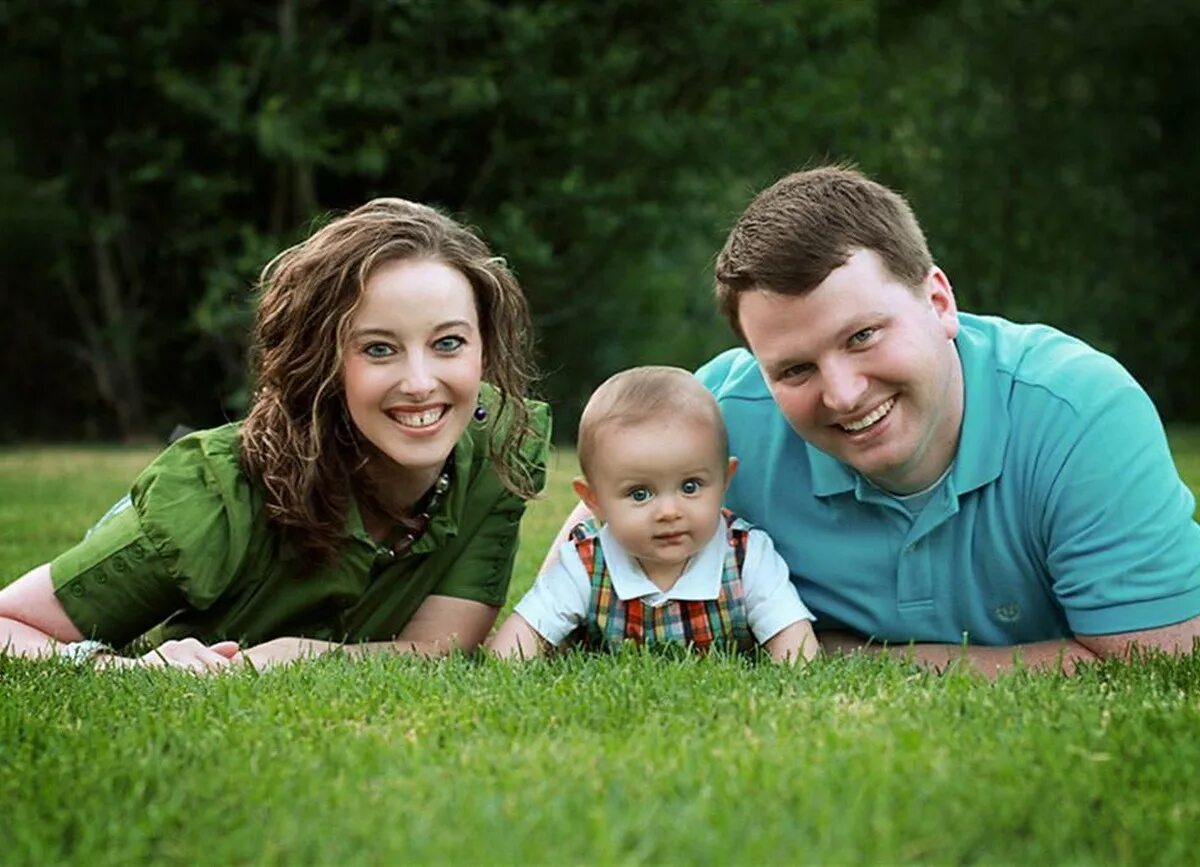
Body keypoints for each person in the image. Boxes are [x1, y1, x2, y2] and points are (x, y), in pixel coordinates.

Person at [0, 199, 550, 672]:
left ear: (484, 346)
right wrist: (117, 670)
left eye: (448, 343)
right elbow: (9, 624)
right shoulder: (214, 502)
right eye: (378, 348)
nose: (420, 383)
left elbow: (440, 646)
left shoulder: (498, 451)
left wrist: (301, 654)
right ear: (324, 364)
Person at [695, 165, 1200, 675]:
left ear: (939, 302)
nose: (844, 396)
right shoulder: (708, 427)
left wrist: (849, 659)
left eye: (863, 336)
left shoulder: (1081, 411)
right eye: (795, 369)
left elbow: (1157, 657)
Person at [489, 366, 817, 662]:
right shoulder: (587, 563)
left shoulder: (747, 555)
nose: (669, 512)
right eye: (640, 494)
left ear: (724, 481)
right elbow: (519, 639)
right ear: (595, 501)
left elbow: (794, 644)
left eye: (690, 487)